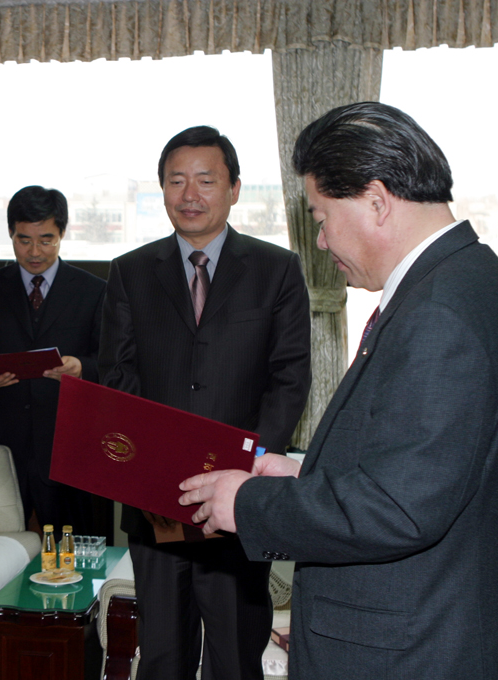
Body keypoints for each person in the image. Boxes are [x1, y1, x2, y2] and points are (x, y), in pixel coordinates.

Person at [179, 102, 498, 680]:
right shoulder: (472, 282)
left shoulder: (441, 314)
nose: (321, 241)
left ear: (376, 201)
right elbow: (427, 469)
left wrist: (246, 504)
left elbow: (398, 508)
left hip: (419, 651)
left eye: (322, 218)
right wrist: (306, 476)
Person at [99, 127, 311, 680]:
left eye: (206, 180)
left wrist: (244, 470)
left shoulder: (277, 269)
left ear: (234, 189)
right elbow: (117, 377)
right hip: (155, 501)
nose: (189, 194)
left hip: (239, 502)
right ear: (162, 190)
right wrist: (153, 465)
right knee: (161, 655)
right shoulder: (129, 271)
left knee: (235, 655)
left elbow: (289, 379)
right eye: (176, 181)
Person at [0, 185, 110, 537]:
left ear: (62, 233)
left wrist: (81, 368)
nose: (35, 252)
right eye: (24, 240)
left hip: (67, 446)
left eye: (46, 240)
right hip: (2, 444)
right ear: (11, 233)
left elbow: (110, 364)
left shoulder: (93, 290)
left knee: (75, 550)